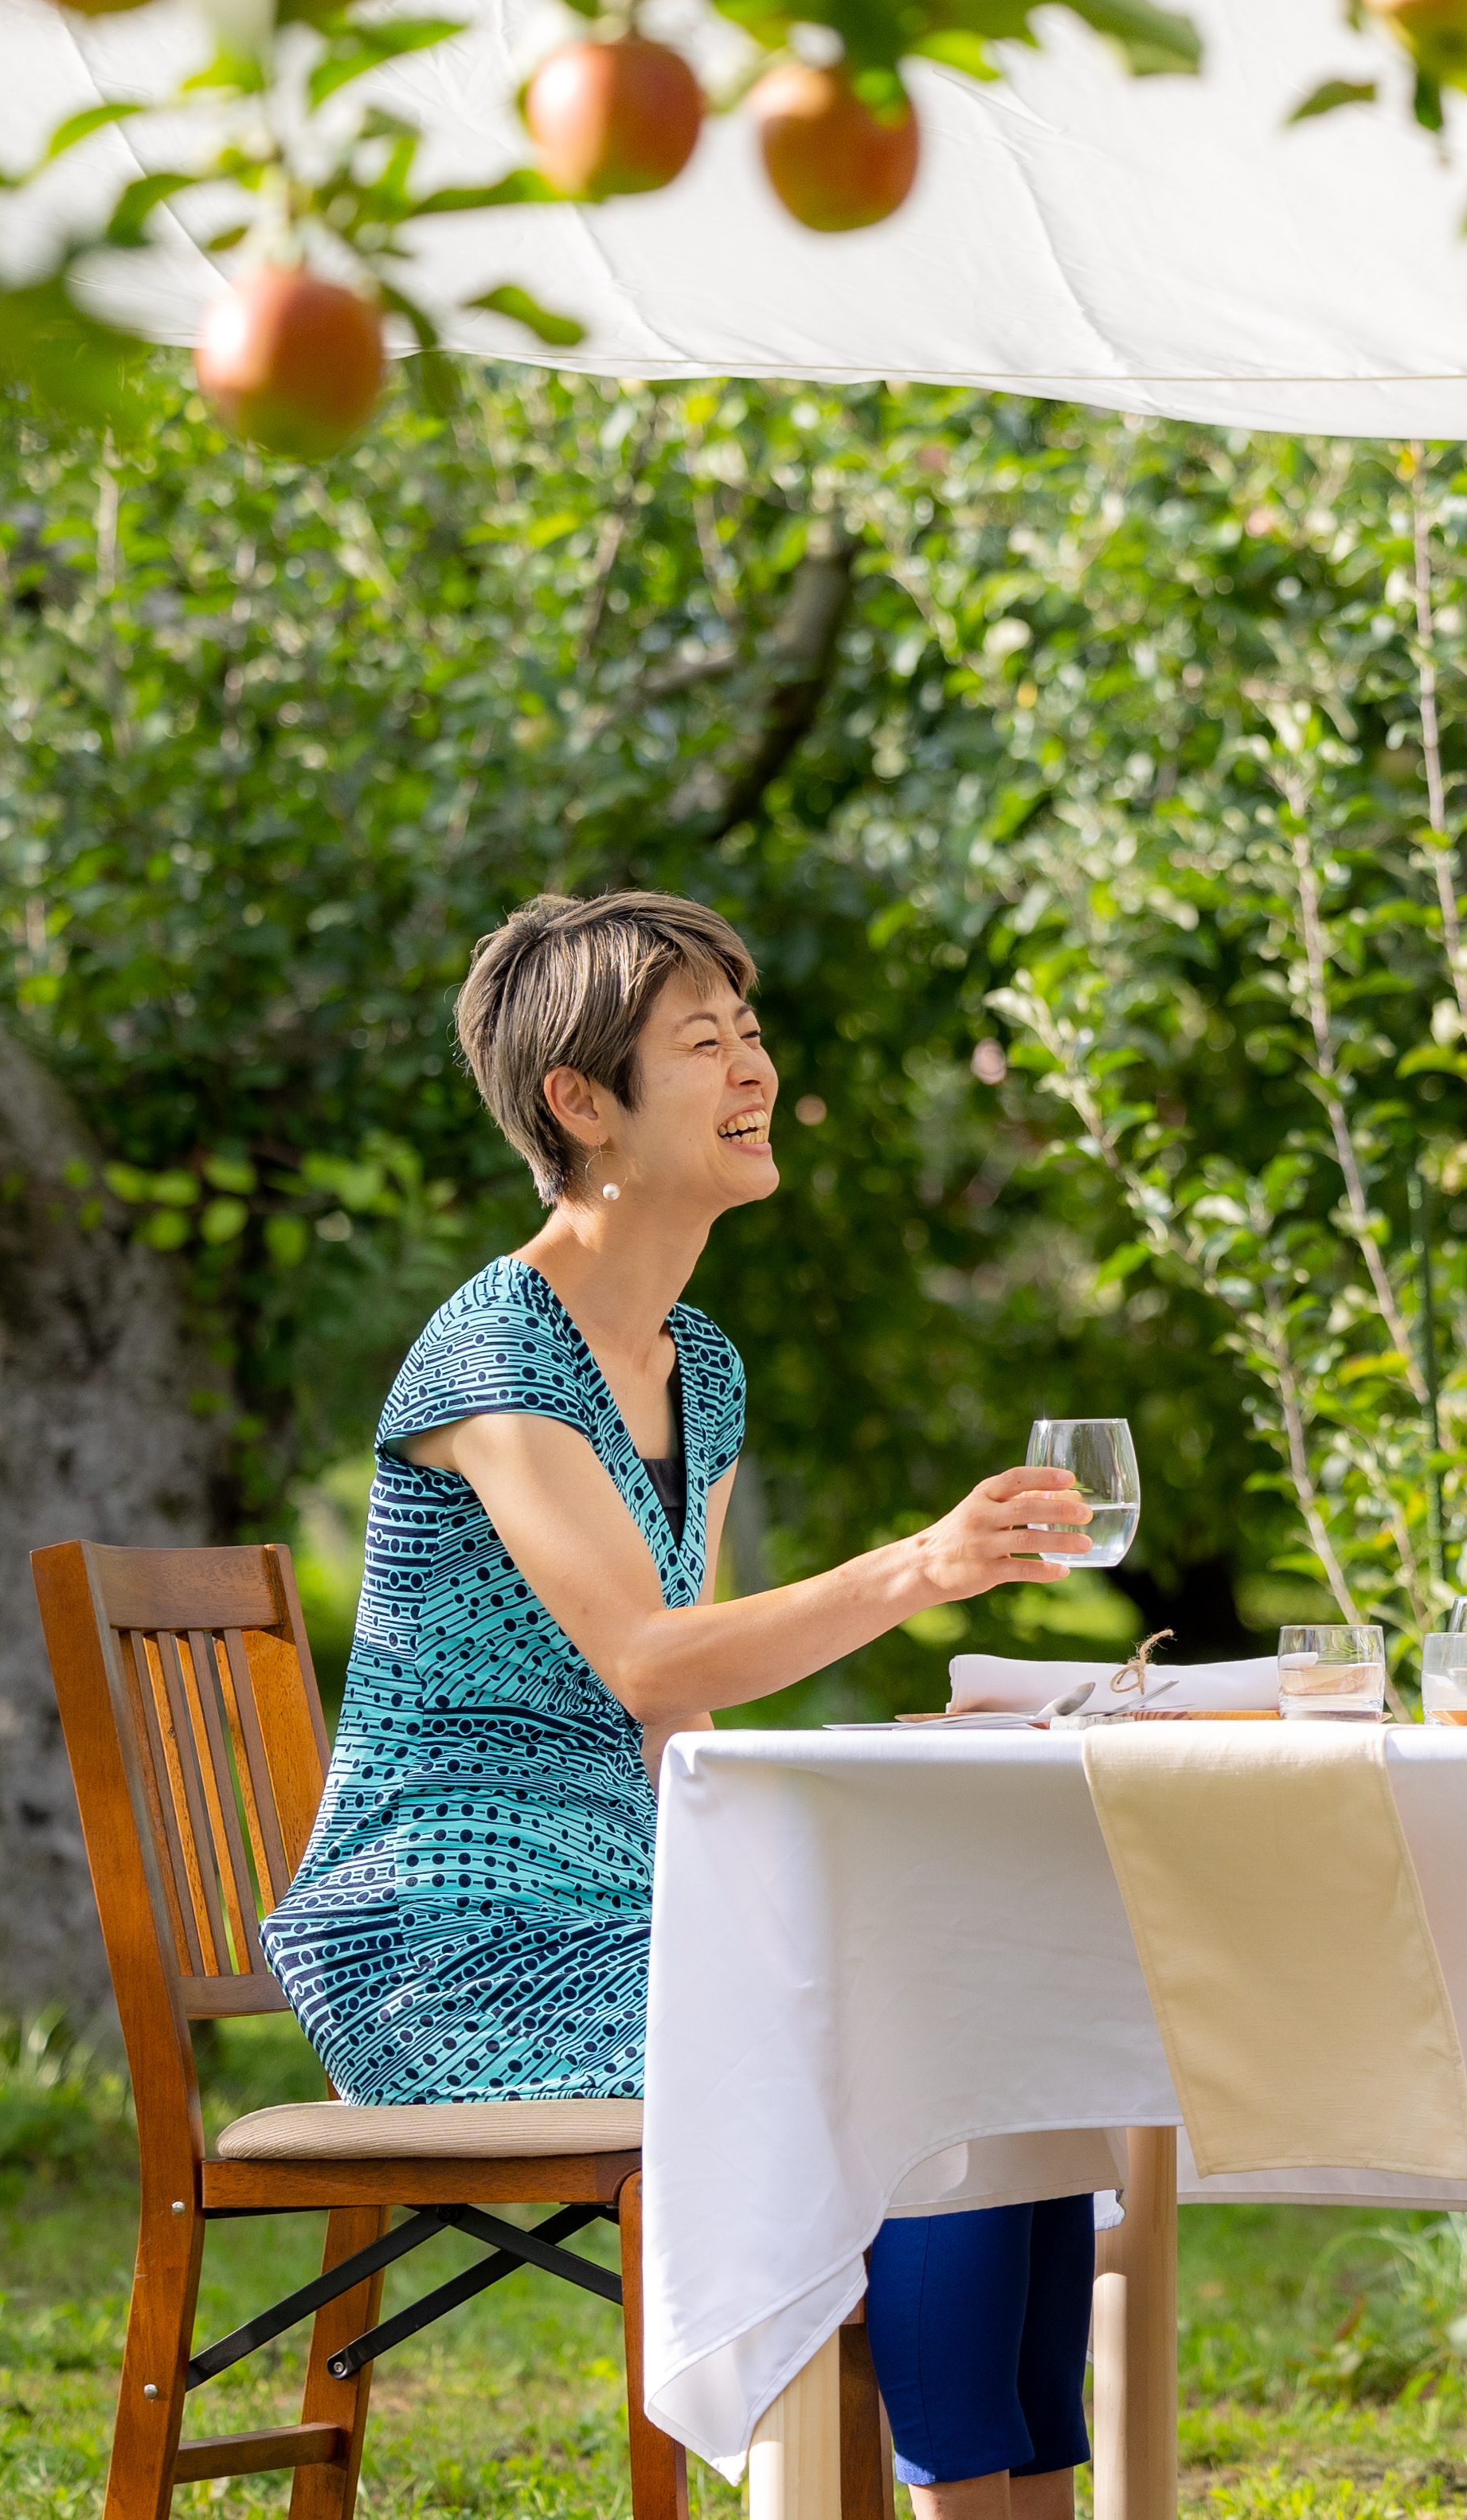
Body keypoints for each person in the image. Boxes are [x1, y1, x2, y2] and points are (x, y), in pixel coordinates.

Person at [258, 890, 1102, 2520]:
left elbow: (678, 1721)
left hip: (623, 1920)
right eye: (701, 1045)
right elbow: (643, 1654)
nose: (753, 1073)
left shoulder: (691, 1361)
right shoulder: (492, 1353)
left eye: (752, 1035)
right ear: (581, 1104)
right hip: (446, 1952)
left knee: (993, 2038)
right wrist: (923, 1567)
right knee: (912, 2050)